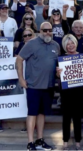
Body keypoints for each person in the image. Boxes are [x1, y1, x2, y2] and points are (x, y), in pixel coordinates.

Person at [16, 22, 60, 151]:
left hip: (49, 86)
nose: (47, 32)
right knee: (32, 113)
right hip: (34, 85)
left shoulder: (56, 45)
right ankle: (30, 143)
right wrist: (21, 78)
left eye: (50, 30)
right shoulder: (31, 44)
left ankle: (40, 140)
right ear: (39, 31)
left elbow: (57, 64)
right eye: (45, 30)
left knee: (42, 114)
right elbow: (19, 59)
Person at [56, 35, 83, 150]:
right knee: (66, 118)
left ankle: (78, 143)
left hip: (79, 91)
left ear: (76, 43)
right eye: (68, 44)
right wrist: (58, 73)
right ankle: (65, 142)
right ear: (64, 46)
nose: (70, 46)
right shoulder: (61, 58)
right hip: (66, 92)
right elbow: (57, 76)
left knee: (77, 118)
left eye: (72, 43)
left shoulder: (82, 56)